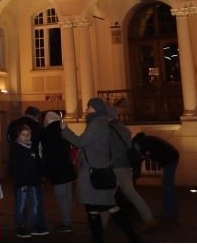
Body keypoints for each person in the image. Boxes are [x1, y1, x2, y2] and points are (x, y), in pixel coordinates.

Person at [61, 99, 142, 243]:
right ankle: (106, 238)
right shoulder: (99, 123)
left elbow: (80, 142)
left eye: (89, 106)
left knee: (107, 206)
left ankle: (131, 237)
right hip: (97, 172)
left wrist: (65, 130)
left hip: (94, 173)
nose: (87, 109)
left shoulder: (97, 124)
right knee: (96, 206)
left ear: (96, 108)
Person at [106, 106, 154, 228]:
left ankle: (101, 222)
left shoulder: (109, 129)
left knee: (106, 195)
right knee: (132, 194)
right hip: (126, 166)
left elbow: (109, 148)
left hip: (115, 166)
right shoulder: (125, 129)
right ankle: (148, 217)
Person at [41, 111, 76, 234]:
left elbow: (49, 156)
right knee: (67, 197)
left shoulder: (49, 134)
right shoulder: (62, 131)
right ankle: (67, 220)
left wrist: (47, 172)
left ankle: (67, 224)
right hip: (67, 169)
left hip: (58, 171)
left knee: (62, 198)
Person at [131, 131, 180, 218]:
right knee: (168, 183)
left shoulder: (146, 145)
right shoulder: (148, 141)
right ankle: (170, 209)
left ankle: (169, 210)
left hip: (170, 159)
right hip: (172, 157)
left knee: (168, 184)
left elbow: (150, 155)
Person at [10, 125, 47, 237]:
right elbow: (16, 168)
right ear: (19, 136)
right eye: (23, 134)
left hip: (33, 181)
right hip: (22, 182)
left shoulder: (32, 148)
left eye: (28, 134)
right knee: (21, 204)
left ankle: (35, 225)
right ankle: (21, 226)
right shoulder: (16, 148)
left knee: (35, 203)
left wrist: (39, 178)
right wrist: (21, 181)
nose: (26, 137)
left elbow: (36, 166)